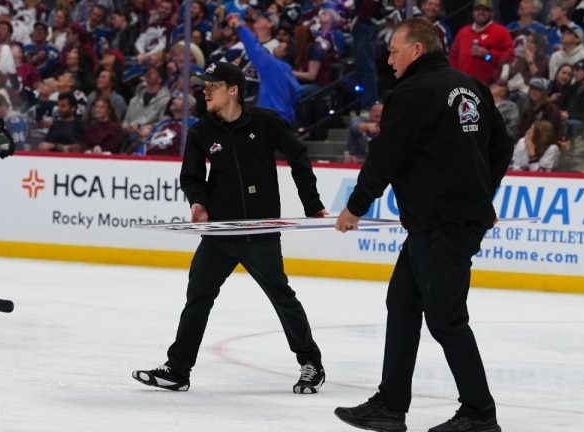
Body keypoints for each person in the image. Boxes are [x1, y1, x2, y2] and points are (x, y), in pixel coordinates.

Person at [333, 18, 511, 432]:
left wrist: (355, 207)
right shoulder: (472, 87)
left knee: (446, 319)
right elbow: (501, 146)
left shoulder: (411, 93)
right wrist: (481, 193)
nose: (389, 59)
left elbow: (385, 157)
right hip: (438, 224)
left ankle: (480, 413)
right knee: (404, 303)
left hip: (441, 225)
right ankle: (391, 405)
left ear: (417, 50)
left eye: (394, 51)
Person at [132, 61, 328, 394]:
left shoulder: (265, 123)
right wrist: (199, 203)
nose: (204, 90)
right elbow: (192, 177)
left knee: (282, 297)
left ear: (233, 89)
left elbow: (298, 154)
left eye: (212, 85)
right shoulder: (201, 131)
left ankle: (311, 363)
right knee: (198, 298)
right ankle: (178, 369)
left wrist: (312, 203)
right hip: (220, 233)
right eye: (203, 86)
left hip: (259, 233)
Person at [449, 0, 514, 84]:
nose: (481, 12)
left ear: (492, 13)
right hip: (462, 85)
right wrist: (456, 77)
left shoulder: (501, 32)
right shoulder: (463, 31)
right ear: (473, 13)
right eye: (478, 9)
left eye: (485, 10)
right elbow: (453, 56)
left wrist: (488, 55)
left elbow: (510, 57)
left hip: (488, 87)